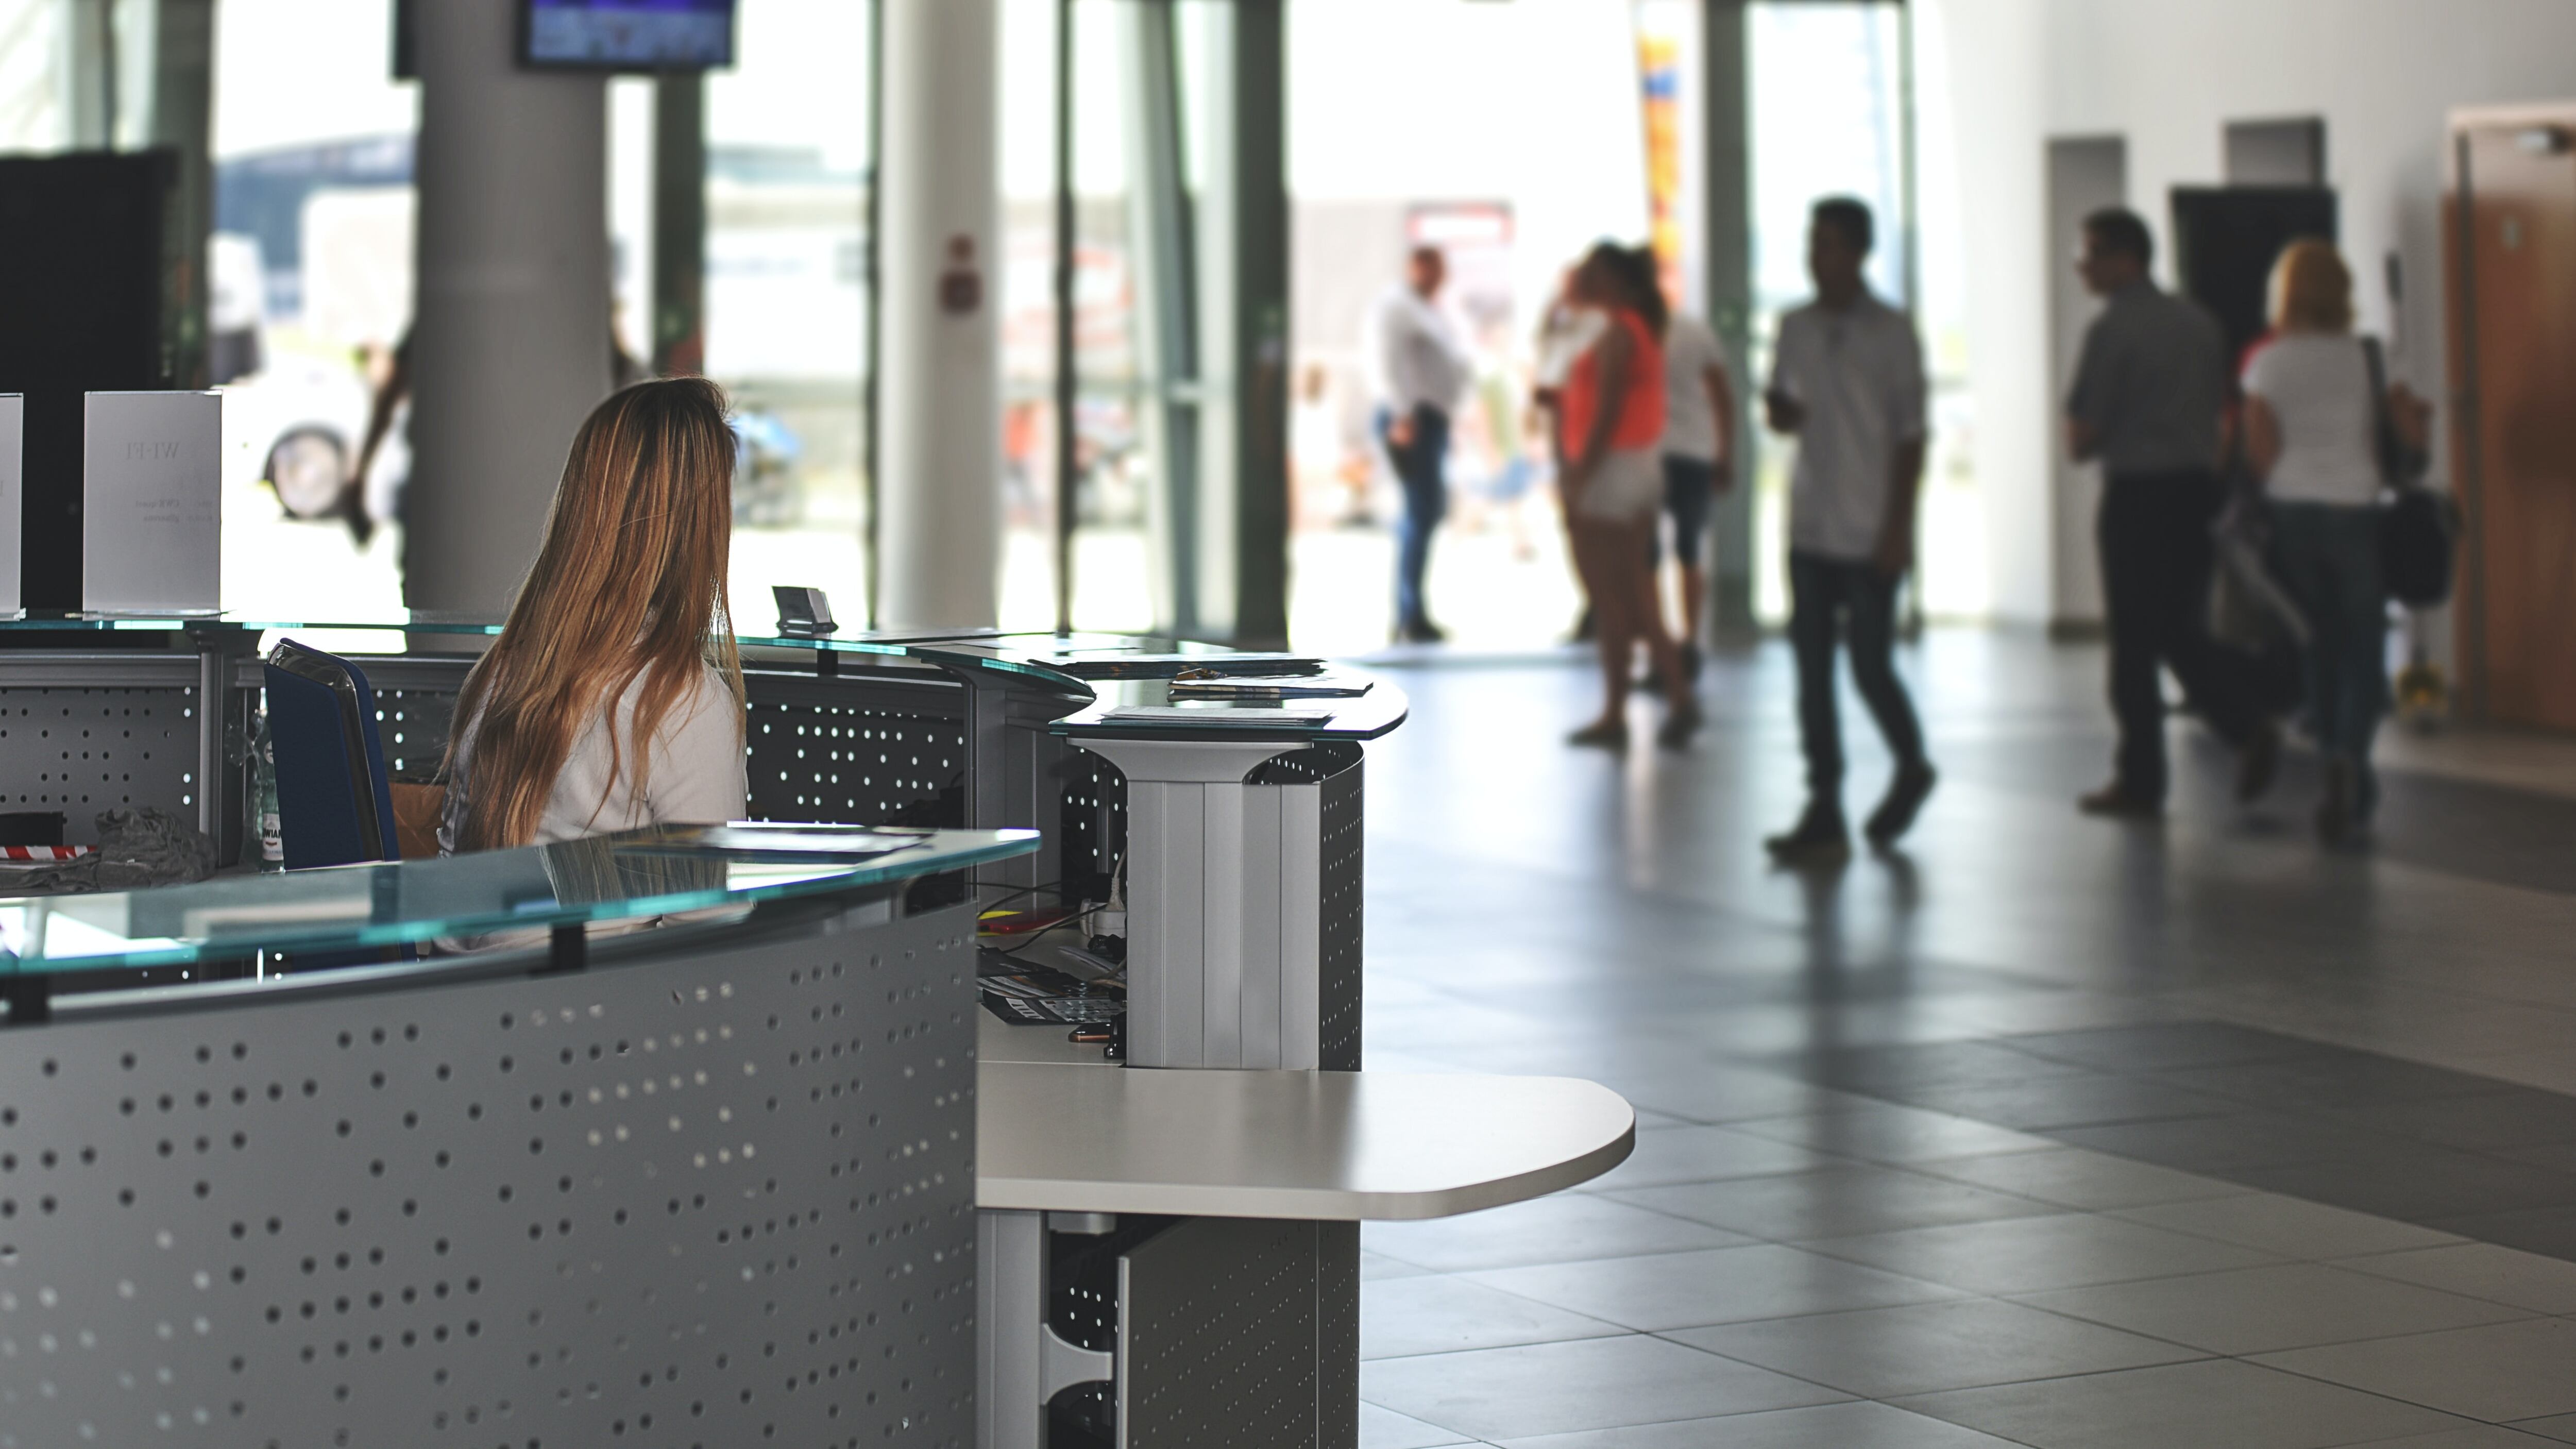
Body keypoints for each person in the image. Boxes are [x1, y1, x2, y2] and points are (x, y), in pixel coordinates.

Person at [438, 377, 748, 855]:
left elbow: (450, 869)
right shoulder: (685, 705)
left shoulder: (499, 673)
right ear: (699, 525)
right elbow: (708, 899)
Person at [2066, 207, 2281, 819]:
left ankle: (2140, 780)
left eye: (2090, 254)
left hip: (2136, 495)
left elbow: (2081, 435)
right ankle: (2244, 724)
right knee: (2179, 628)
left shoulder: (2110, 330)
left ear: (2124, 259)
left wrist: (2093, 433)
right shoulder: (2200, 323)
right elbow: (2220, 412)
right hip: (2193, 492)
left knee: (2133, 643)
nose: (2082, 267)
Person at [1762, 198, 1936, 862]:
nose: (1818, 257)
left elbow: (1911, 435)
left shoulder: (1891, 332)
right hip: (1809, 524)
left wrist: (1898, 528)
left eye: (1831, 244)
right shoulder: (1794, 326)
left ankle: (1910, 761)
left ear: (1861, 252)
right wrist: (1779, 411)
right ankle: (1823, 804)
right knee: (1811, 674)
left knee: (1868, 666)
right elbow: (1783, 412)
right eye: (1813, 244)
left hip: (1868, 526)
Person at [2241, 240, 2430, 841]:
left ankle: (2329, 757)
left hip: (2291, 513)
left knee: (2315, 644)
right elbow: (2410, 434)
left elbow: (2259, 452)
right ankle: (2350, 756)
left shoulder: (2267, 363)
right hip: (2356, 509)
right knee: (2363, 646)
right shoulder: (2370, 356)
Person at [1559, 242, 1699, 750]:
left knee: (1613, 599)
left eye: (1595, 273)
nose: (1585, 279)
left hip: (1613, 472)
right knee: (1635, 596)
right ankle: (1671, 697)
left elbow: (1606, 412)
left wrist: (1580, 475)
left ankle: (1621, 710)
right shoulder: (1634, 328)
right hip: (1632, 468)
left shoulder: (1621, 332)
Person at [1366, 246, 1474, 643]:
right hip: (1412, 420)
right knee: (1419, 513)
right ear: (1416, 267)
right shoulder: (1397, 306)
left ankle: (1413, 612)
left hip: (1429, 419)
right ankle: (1409, 615)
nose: (1438, 277)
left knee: (1426, 513)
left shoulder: (1427, 309)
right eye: (1432, 269)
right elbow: (1386, 362)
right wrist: (1401, 414)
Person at [1655, 306, 1737, 680]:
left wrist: (1725, 452)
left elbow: (1721, 395)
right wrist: (1725, 453)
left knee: (1676, 553)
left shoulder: (1686, 332)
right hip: (1681, 453)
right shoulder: (1688, 332)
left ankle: (1681, 646)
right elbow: (1722, 396)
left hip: (1672, 453)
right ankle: (1674, 645)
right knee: (1677, 553)